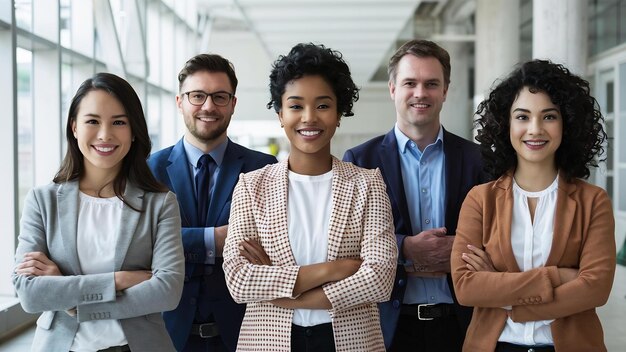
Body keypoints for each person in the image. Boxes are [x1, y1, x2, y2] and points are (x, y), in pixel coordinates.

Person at [222, 43, 398, 351]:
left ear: (339, 113)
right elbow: (239, 280)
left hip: (349, 340)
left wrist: (283, 293)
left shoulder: (367, 184)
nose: (309, 117)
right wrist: (334, 269)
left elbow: (380, 278)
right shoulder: (252, 186)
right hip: (269, 340)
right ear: (280, 114)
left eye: (322, 105)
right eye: (295, 105)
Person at [451, 60, 616, 352]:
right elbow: (466, 287)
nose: (535, 129)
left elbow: (595, 288)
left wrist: (508, 297)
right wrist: (556, 277)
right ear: (507, 124)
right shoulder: (480, 199)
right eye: (523, 117)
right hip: (493, 345)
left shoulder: (594, 201)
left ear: (567, 123)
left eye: (549, 116)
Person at [12, 72, 184, 352]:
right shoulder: (42, 201)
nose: (105, 134)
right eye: (92, 121)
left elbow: (167, 291)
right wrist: (118, 280)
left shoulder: (160, 204)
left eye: (119, 122)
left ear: (133, 131)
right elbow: (30, 294)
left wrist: (72, 302)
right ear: (75, 127)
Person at [342, 39, 487, 350]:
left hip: (462, 326)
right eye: (410, 83)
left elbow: (498, 234)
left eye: (431, 84)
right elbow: (346, 243)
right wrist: (404, 248)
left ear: (445, 90)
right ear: (393, 89)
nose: (421, 93)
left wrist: (460, 249)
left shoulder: (478, 160)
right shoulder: (360, 161)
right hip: (390, 327)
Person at [148, 53, 277, 351]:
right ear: (180, 102)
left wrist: (175, 243)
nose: (208, 106)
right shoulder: (149, 170)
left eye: (220, 97)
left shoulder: (263, 168)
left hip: (243, 334)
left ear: (233, 103)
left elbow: (267, 246)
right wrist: (214, 240)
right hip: (167, 335)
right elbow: (143, 246)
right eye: (197, 96)